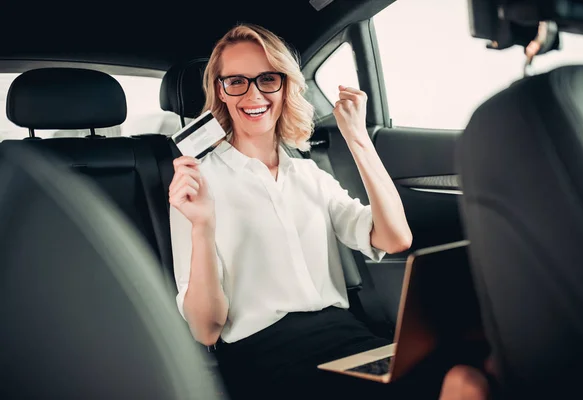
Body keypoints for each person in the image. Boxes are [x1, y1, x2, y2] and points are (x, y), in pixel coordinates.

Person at [168, 23, 489, 400]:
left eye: (267, 78)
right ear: (220, 91)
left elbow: (395, 237)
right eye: (236, 81)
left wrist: (359, 139)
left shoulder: (308, 173)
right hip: (266, 356)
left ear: (285, 85)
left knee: (466, 380)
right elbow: (206, 330)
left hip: (347, 336)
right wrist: (202, 225)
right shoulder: (196, 187)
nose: (253, 93)